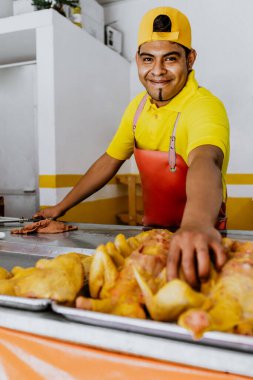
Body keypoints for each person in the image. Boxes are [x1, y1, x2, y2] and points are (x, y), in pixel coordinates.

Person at [34, 6, 230, 288]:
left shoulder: (204, 106)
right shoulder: (136, 109)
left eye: (171, 59)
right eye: (148, 58)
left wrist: (197, 224)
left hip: (200, 236)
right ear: (137, 60)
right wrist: (60, 207)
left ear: (190, 59)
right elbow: (110, 160)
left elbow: (205, 160)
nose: (158, 71)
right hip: (151, 232)